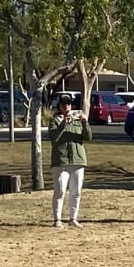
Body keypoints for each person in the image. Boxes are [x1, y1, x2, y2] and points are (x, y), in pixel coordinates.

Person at [48, 94, 90, 228]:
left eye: (68, 104)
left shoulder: (77, 119)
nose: (66, 107)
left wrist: (84, 122)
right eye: (63, 104)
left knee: (76, 191)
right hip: (61, 160)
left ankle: (73, 218)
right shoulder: (55, 120)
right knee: (60, 191)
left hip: (78, 160)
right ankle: (57, 219)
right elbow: (54, 137)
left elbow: (88, 137)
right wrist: (63, 124)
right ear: (59, 106)